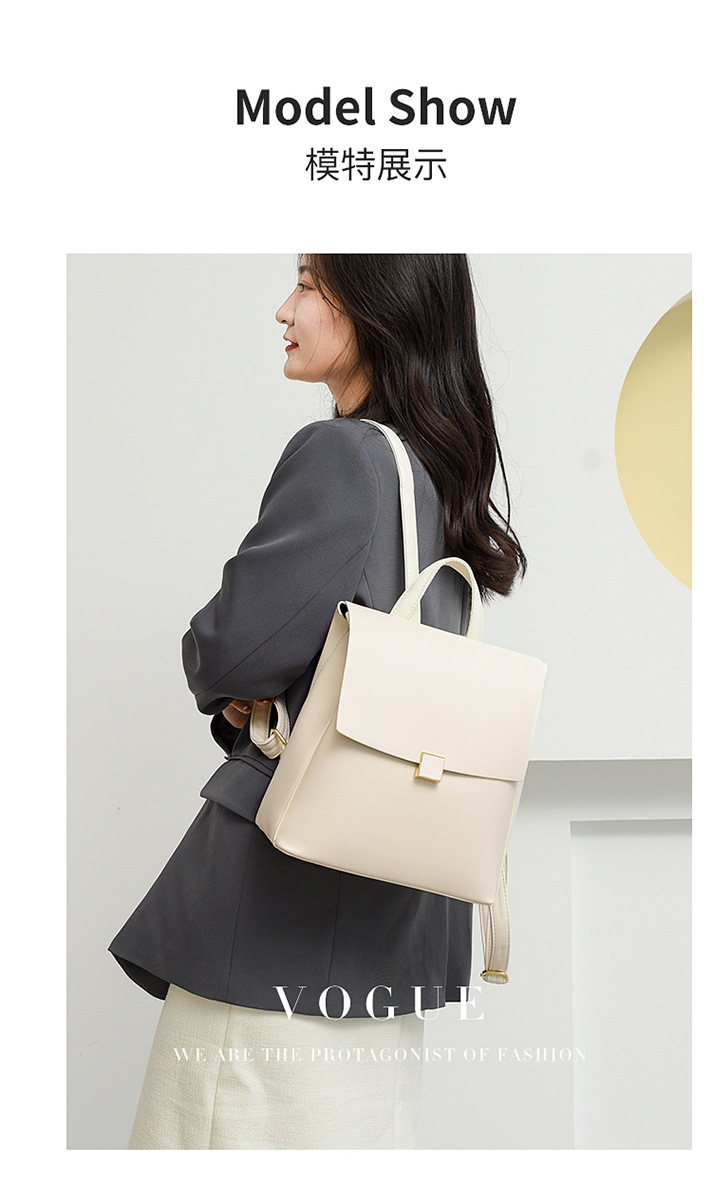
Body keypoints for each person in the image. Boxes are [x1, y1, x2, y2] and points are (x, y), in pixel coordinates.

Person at [108, 253, 528, 1150]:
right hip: (384, 942)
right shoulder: (435, 478)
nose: (284, 309)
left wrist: (238, 687)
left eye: (308, 282)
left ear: (376, 301)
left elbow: (230, 646)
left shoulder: (346, 457)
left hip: (275, 944)